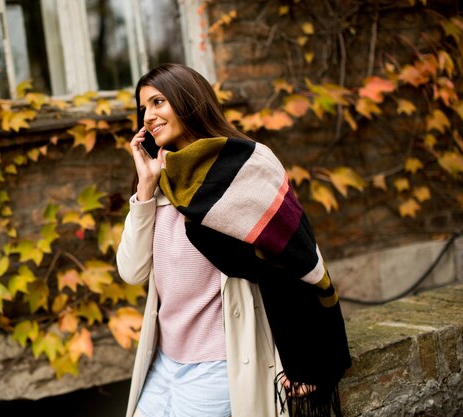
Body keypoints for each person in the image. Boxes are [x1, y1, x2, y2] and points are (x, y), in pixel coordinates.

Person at [116, 63, 351, 417]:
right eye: (143, 107)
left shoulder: (247, 164)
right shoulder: (160, 180)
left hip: (218, 364)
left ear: (188, 101)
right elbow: (133, 272)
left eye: (158, 102)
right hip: (163, 362)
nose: (148, 116)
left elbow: (297, 261)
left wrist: (309, 359)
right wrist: (145, 191)